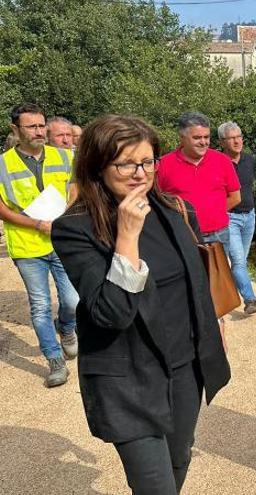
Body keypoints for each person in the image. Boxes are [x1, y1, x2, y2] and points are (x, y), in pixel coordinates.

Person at [52, 114, 231, 494]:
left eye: (147, 162)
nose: (139, 173)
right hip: (128, 380)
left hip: (184, 369)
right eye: (126, 164)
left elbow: (197, 284)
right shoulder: (74, 228)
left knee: (179, 460)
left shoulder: (174, 210)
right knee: (155, 487)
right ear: (98, 167)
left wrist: (214, 330)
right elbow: (110, 312)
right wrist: (127, 236)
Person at [0, 103, 78, 388]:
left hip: (60, 240)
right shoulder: (3, 164)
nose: (39, 131)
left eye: (41, 125)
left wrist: (65, 212)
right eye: (31, 126)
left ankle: (67, 327)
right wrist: (36, 225)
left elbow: (75, 186)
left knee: (72, 300)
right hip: (27, 245)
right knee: (40, 305)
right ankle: (54, 360)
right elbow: (2, 207)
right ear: (15, 129)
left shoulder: (64, 156)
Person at [157, 112, 240, 256]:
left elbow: (235, 197)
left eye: (206, 137)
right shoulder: (163, 164)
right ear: (182, 138)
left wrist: (212, 214)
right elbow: (157, 201)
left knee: (218, 277)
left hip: (218, 235)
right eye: (197, 137)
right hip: (183, 235)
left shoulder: (222, 161)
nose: (203, 142)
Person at [218, 121, 256, 315]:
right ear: (222, 142)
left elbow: (250, 185)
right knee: (239, 262)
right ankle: (250, 299)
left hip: (250, 217)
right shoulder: (218, 163)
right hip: (230, 218)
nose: (236, 141)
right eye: (231, 138)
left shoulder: (250, 160)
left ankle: (225, 290)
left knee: (241, 260)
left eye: (239, 136)